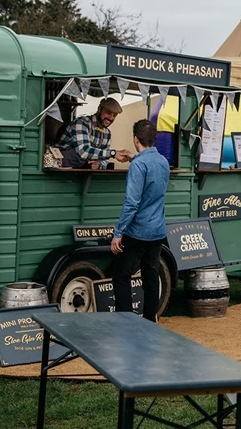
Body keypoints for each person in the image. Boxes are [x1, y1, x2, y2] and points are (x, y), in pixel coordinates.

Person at [110, 118, 170, 320]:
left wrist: (118, 233)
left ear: (136, 139)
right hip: (158, 230)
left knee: (121, 274)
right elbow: (149, 167)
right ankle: (150, 318)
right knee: (150, 275)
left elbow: (131, 203)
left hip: (137, 231)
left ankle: (126, 321)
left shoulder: (138, 165)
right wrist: (134, 157)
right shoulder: (163, 162)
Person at [56, 97, 132, 169]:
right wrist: (113, 153)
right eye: (108, 113)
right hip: (59, 167)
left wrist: (99, 164)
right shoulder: (81, 123)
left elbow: (105, 159)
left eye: (114, 115)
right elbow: (84, 151)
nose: (111, 118)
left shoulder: (107, 133)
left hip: (81, 172)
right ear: (99, 109)